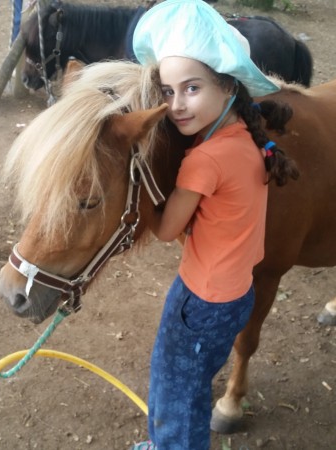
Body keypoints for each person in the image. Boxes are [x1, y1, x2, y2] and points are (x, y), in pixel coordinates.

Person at [130, 0, 299, 449]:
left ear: (227, 87)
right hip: (236, 294)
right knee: (191, 380)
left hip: (202, 299)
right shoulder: (247, 135)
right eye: (168, 92)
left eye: (192, 88)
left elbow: (167, 230)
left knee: (176, 388)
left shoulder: (203, 160)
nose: (176, 105)